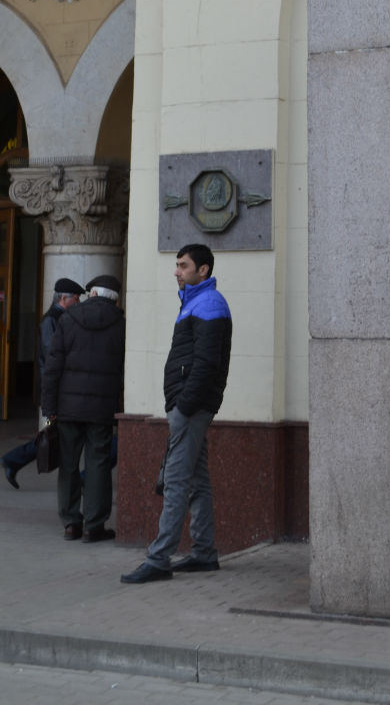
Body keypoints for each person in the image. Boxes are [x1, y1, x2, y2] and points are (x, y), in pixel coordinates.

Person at [120, 243, 232, 583]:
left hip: (191, 407)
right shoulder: (195, 302)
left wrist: (183, 406)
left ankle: (158, 558)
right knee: (196, 480)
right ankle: (204, 553)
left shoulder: (209, 303)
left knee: (176, 480)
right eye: (177, 265)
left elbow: (206, 363)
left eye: (183, 265)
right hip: (189, 405)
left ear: (203, 271)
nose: (176, 271)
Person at [41, 275, 125, 541]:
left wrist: (49, 406)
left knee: (68, 463)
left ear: (92, 293)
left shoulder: (69, 319)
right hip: (101, 408)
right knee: (98, 463)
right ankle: (94, 525)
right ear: (115, 298)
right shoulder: (121, 324)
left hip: (68, 407)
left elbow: (52, 368)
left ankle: (70, 523)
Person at [2, 277, 85, 489]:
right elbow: (52, 356)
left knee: (54, 432)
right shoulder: (51, 321)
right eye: (76, 299)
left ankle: (14, 460)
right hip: (53, 390)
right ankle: (13, 459)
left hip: (56, 389)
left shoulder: (59, 318)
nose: (78, 303)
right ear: (65, 298)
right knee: (51, 432)